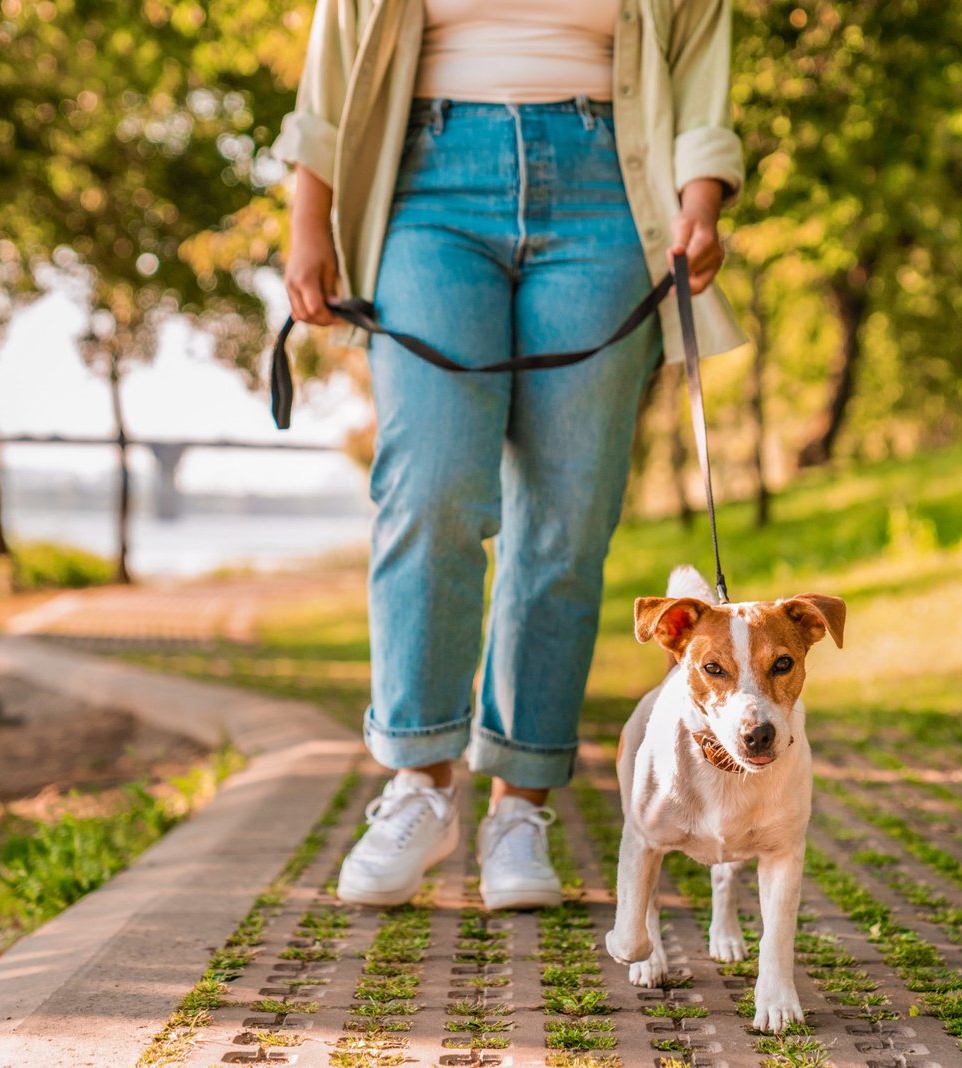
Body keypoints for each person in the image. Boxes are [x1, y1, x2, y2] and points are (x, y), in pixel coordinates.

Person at [273, 0, 746, 910]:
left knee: (566, 518)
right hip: (428, 182)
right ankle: (418, 784)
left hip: (610, 184)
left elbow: (698, 68)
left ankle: (519, 807)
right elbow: (335, 57)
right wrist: (310, 219)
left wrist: (699, 204)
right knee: (431, 489)